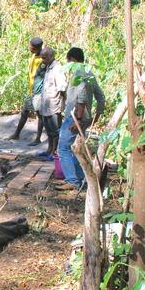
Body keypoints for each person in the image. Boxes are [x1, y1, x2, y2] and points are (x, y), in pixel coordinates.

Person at [57, 47, 105, 190]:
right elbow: (100, 96)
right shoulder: (89, 72)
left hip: (75, 117)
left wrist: (77, 119)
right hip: (84, 118)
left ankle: (72, 181)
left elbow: (82, 97)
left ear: (73, 60)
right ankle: (82, 179)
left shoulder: (79, 72)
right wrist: (97, 115)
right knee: (77, 149)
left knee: (63, 148)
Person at [8, 37, 46, 144]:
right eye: (30, 45)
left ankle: (38, 138)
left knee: (39, 115)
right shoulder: (34, 56)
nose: (30, 48)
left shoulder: (43, 60)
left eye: (32, 47)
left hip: (39, 92)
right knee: (24, 112)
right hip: (31, 91)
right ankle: (16, 134)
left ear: (37, 48)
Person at [37, 47, 67, 159]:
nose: (42, 60)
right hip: (46, 105)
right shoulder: (49, 67)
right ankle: (49, 150)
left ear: (51, 56)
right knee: (49, 131)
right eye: (42, 58)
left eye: (44, 58)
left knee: (55, 131)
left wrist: (64, 102)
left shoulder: (57, 68)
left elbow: (62, 88)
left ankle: (54, 152)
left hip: (54, 105)